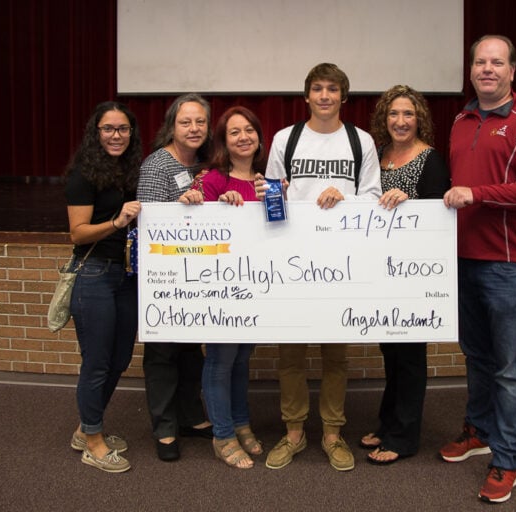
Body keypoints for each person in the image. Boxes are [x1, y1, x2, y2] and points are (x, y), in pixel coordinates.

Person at [441, 35, 516, 503]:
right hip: (464, 259)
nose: (487, 69)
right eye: (480, 62)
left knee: (511, 368)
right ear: (470, 69)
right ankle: (480, 432)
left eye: (497, 62)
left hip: (509, 263)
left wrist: (480, 193)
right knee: (477, 355)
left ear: (513, 71)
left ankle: (506, 460)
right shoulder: (460, 119)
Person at [260, 63, 382, 472]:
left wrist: (343, 197)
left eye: (333, 89)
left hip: (341, 261)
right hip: (292, 261)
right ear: (307, 95)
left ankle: (332, 433)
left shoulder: (360, 140)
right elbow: (272, 196)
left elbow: (374, 197)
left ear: (344, 97)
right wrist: (281, 196)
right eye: (318, 88)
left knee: (335, 356)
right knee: (290, 354)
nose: (325, 95)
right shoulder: (286, 138)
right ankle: (293, 432)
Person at [359, 85, 450, 465]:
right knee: (391, 352)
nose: (400, 121)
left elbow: (439, 215)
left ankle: (404, 436)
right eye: (393, 114)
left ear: (419, 119)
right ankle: (387, 421)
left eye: (408, 114)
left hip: (414, 273)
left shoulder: (430, 158)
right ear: (384, 118)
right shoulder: (377, 155)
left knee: (410, 355)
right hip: (380, 271)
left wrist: (410, 202)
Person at [65, 101, 142, 473]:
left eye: (123, 129)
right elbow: (77, 233)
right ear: (96, 133)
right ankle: (92, 440)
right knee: (96, 362)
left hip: (127, 276)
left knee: (120, 359)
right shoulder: (83, 174)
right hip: (94, 273)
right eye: (109, 129)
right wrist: (117, 220)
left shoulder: (131, 170)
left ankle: (86, 427)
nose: (116, 136)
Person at [136, 93, 213, 462]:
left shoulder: (201, 162)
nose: (194, 128)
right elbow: (151, 223)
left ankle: (190, 416)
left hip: (195, 276)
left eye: (200, 122)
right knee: (164, 354)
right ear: (172, 125)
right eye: (186, 122)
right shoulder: (157, 165)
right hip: (166, 277)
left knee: (190, 352)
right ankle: (165, 427)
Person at [190, 106, 267, 469]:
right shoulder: (214, 179)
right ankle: (222, 435)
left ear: (259, 136)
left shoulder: (265, 181)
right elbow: (187, 215)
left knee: (241, 360)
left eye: (249, 130)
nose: (243, 137)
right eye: (234, 132)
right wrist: (211, 204)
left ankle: (240, 422)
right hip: (219, 289)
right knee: (220, 362)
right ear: (223, 140)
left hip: (253, 288)